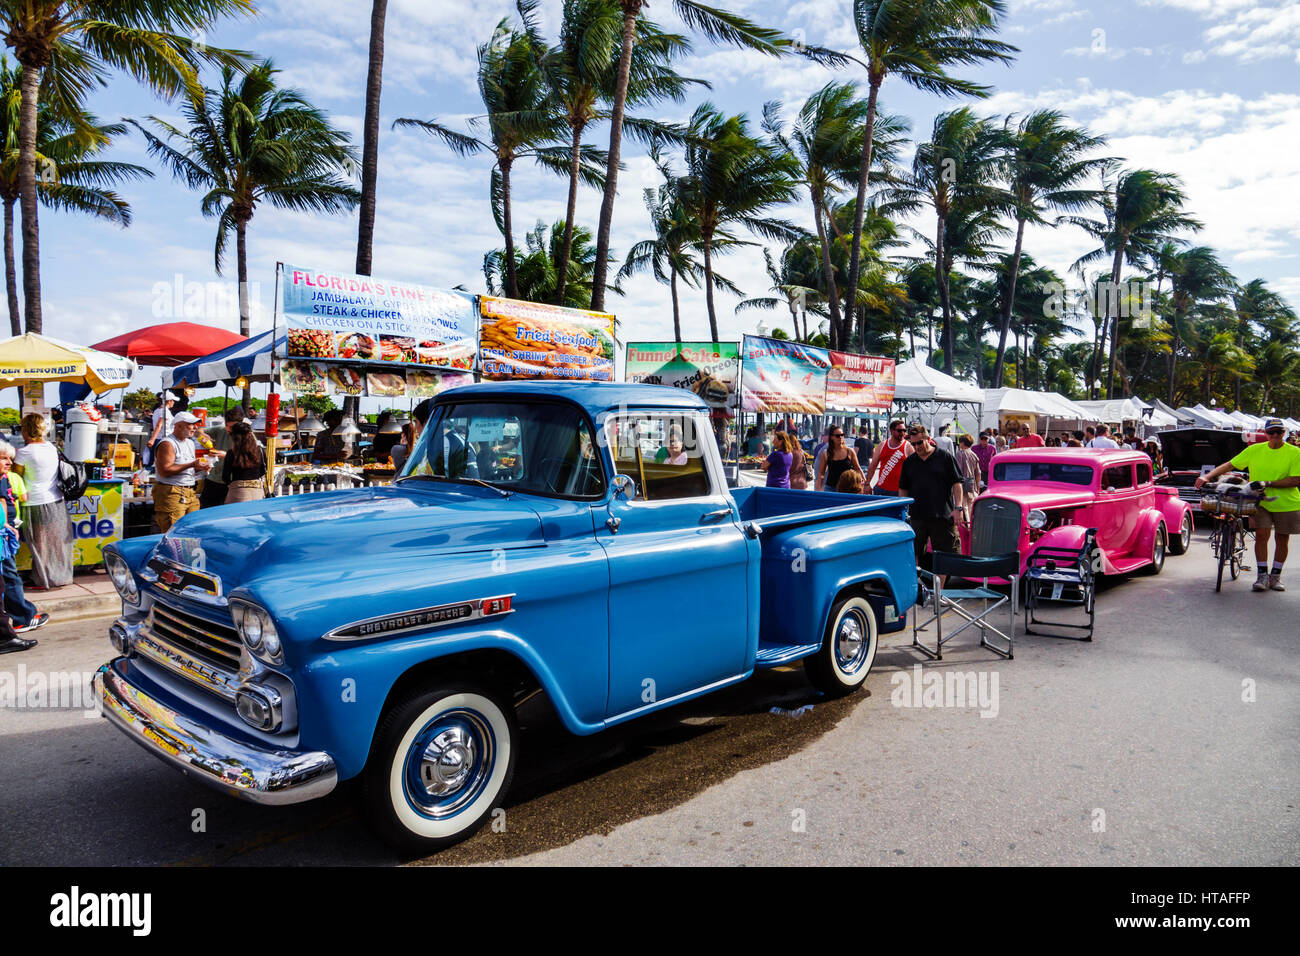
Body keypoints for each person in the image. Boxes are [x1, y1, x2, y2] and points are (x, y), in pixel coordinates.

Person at [1195, 418, 1300, 592]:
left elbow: (1295, 480)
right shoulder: (1254, 450)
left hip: (1287, 503)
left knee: (1282, 538)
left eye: (1279, 432)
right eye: (1271, 432)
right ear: (1265, 434)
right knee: (1261, 535)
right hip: (1258, 500)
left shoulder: (1295, 452)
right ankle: (1262, 575)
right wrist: (1207, 476)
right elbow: (1230, 464)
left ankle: (1275, 576)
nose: (1275, 435)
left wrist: (1268, 483)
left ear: (1284, 433)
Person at [13, 413, 73, 589]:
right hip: (56, 500)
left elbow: (16, 479)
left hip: (35, 502)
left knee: (39, 543)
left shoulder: (23, 453)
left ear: (26, 430)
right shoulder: (51, 448)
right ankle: (58, 577)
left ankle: (42, 580)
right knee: (55, 542)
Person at [899, 425, 964, 573]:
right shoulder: (909, 462)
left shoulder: (945, 457)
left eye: (919, 443)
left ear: (928, 439)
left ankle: (939, 593)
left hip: (942, 515)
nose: (916, 447)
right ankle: (916, 588)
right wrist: (902, 511)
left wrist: (958, 507)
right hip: (917, 516)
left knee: (945, 556)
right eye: (913, 444)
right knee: (913, 552)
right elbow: (903, 488)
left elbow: (957, 483)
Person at [0, 442, 44, 635]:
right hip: (4, 533)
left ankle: (23, 614)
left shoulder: (6, 478)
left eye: (10, 459)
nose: (9, 462)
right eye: (4, 458)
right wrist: (5, 525)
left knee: (8, 576)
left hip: (7, 531)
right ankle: (23, 617)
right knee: (10, 577)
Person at [152, 411, 211, 532]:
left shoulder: (189, 443)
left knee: (192, 530)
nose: (195, 427)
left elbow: (185, 468)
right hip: (172, 493)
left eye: (196, 424)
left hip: (189, 491)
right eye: (191, 424)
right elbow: (165, 470)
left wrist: (199, 468)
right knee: (174, 533)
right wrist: (192, 464)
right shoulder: (167, 444)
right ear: (179, 425)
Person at [199, 406, 243, 508]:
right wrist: (204, 436)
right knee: (205, 510)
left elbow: (250, 458)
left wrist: (227, 456)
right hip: (213, 479)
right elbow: (199, 430)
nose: (229, 429)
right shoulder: (221, 430)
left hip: (232, 482)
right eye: (227, 425)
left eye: (233, 427)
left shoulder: (247, 436)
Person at [224, 422, 267, 503]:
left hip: (237, 492)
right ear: (250, 435)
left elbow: (225, 476)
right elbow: (263, 470)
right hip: (257, 492)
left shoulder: (231, 453)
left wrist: (230, 484)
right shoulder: (260, 450)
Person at [865, 419, 911, 496]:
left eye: (904, 430)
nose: (903, 433)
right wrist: (867, 484)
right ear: (892, 431)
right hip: (881, 490)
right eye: (900, 431)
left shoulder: (908, 447)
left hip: (899, 491)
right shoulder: (882, 445)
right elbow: (873, 465)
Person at [816, 425, 865, 492]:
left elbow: (858, 469)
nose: (840, 437)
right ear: (832, 437)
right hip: (830, 488)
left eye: (842, 435)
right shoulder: (826, 453)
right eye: (837, 436)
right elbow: (821, 473)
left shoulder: (850, 451)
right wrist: (819, 487)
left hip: (848, 488)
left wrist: (865, 483)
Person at [145, 391, 178, 467]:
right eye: (173, 400)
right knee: (162, 462)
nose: (174, 402)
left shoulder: (157, 410)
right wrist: (152, 440)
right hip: (163, 439)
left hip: (158, 438)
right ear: (169, 401)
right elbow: (158, 425)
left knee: (154, 461)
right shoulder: (165, 411)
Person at [956, 433, 981, 513]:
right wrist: (978, 486)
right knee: (971, 505)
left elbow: (958, 470)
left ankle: (966, 524)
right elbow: (978, 472)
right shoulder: (974, 455)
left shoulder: (960, 453)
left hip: (962, 482)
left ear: (963, 442)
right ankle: (972, 523)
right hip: (972, 482)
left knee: (964, 505)